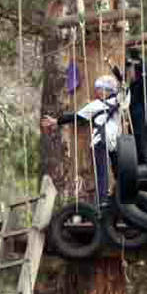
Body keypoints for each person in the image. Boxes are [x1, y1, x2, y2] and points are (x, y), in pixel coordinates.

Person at [40, 74, 122, 207]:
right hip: (100, 140)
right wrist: (56, 121)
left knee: (120, 170)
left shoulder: (119, 100)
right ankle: (102, 200)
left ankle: (118, 196)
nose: (100, 92)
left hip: (115, 142)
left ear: (110, 91)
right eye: (98, 89)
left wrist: (120, 78)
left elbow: (126, 93)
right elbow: (77, 116)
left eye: (103, 89)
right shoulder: (96, 105)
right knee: (101, 171)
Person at [126, 49, 147, 159]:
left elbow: (143, 72)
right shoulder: (134, 85)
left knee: (142, 137)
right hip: (136, 118)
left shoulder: (146, 80)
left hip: (145, 117)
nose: (129, 73)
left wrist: (136, 59)